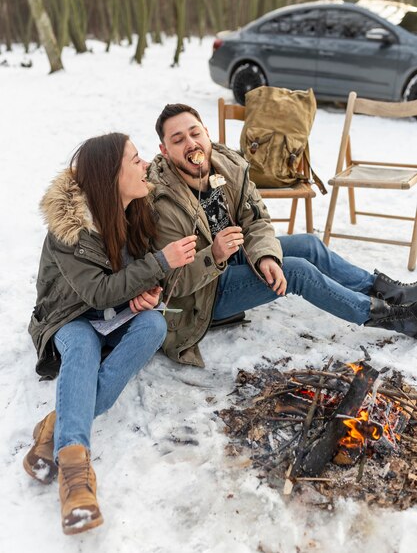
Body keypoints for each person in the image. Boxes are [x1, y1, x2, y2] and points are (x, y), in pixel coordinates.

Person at [147, 103, 417, 369]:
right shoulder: (164, 202)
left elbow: (256, 219)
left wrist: (265, 255)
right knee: (297, 273)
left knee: (309, 245)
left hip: (232, 256)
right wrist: (214, 255)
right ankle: (390, 317)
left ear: (206, 132)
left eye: (195, 133)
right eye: (178, 139)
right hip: (202, 295)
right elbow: (173, 284)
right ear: (165, 151)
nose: (191, 144)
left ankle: (390, 292)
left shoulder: (228, 166)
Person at [23, 133, 196, 536]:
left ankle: (57, 423)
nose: (144, 166)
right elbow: (96, 291)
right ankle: (76, 477)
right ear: (110, 176)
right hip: (66, 317)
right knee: (81, 345)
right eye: (135, 161)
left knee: (154, 323)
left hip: (109, 314)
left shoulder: (134, 208)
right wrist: (159, 263)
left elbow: (122, 285)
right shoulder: (68, 228)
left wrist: (141, 295)